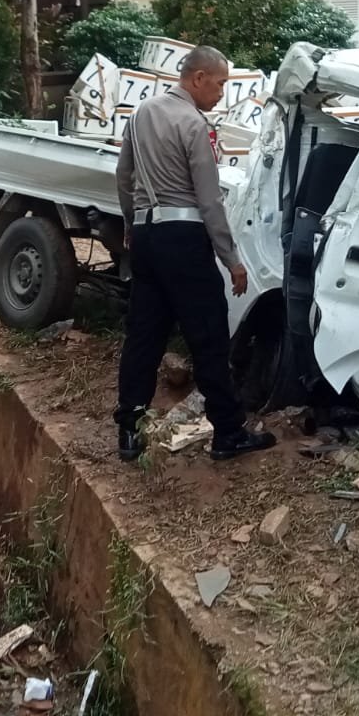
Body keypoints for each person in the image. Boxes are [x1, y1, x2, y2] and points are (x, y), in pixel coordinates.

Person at [114, 45, 276, 464]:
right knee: (208, 336)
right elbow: (209, 200)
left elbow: (124, 175)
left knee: (143, 335)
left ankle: (129, 430)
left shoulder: (140, 114)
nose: (221, 94)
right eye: (220, 84)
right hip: (183, 239)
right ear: (198, 78)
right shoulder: (192, 124)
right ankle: (228, 433)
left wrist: (131, 223)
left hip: (146, 236)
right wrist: (231, 258)